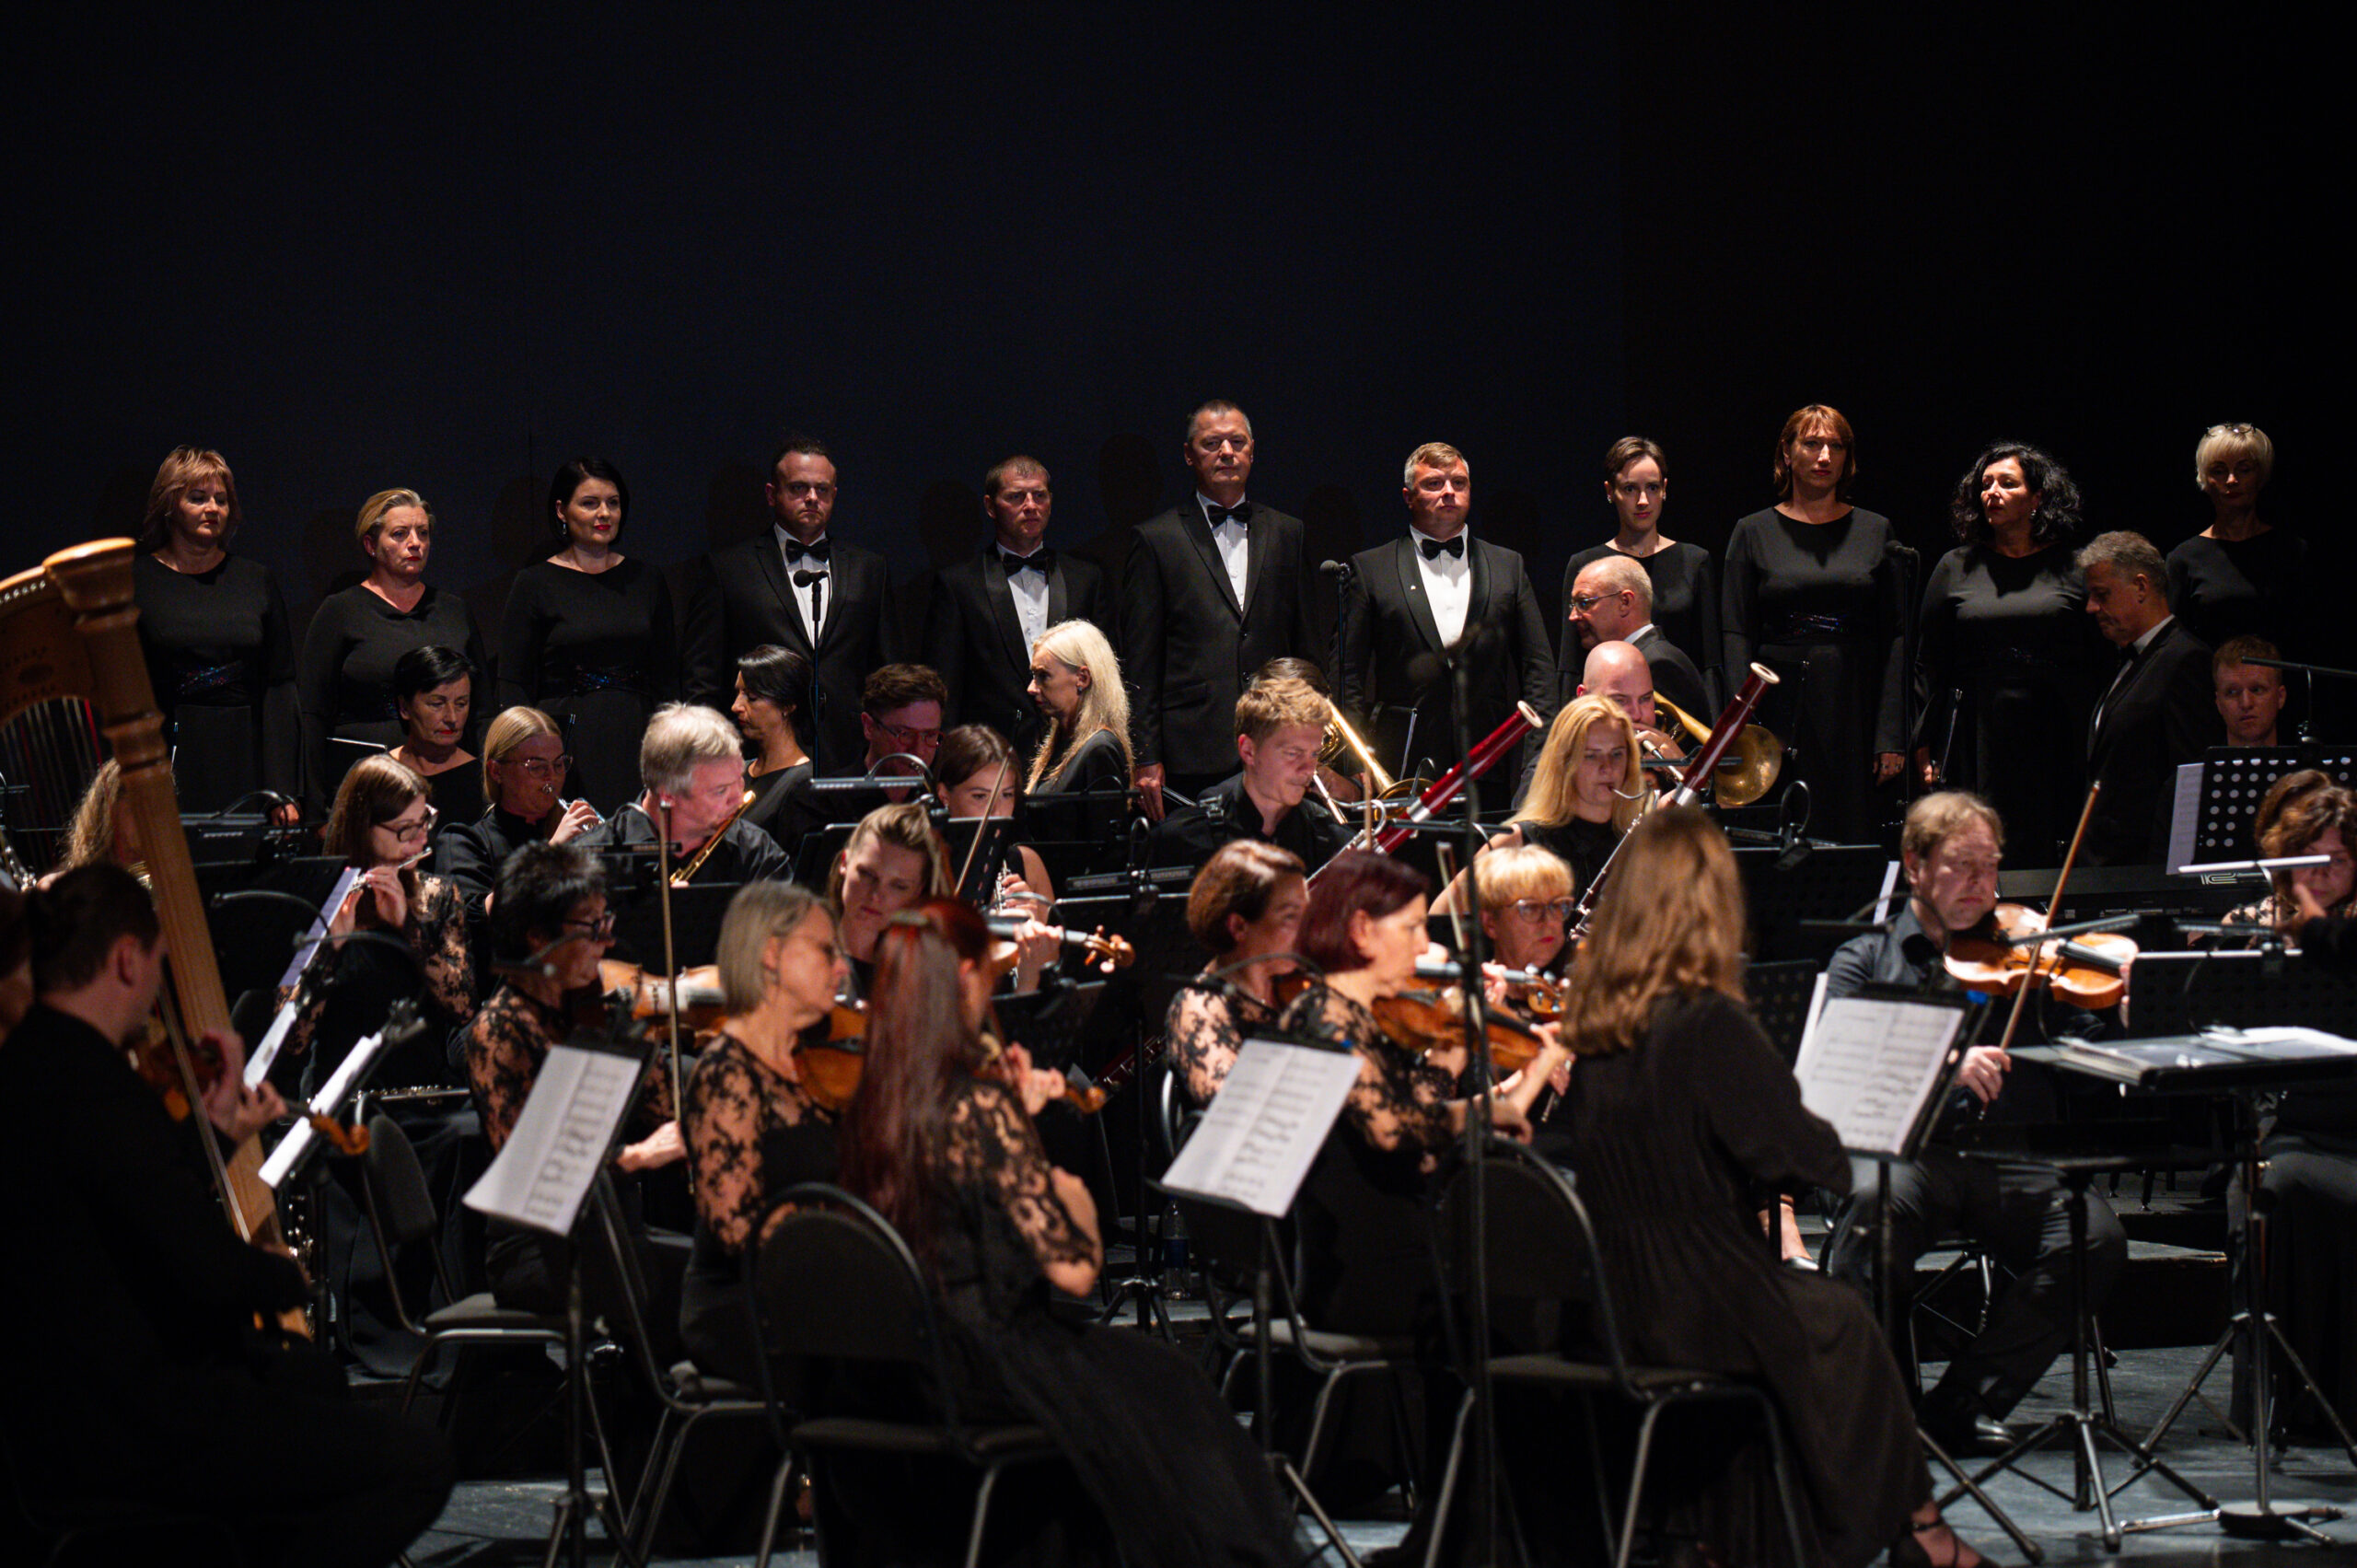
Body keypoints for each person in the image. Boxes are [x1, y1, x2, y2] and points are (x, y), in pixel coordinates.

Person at [1543, 807, 1990, 1568]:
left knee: (1813, 1320)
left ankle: (1744, 1536)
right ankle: (1920, 1532)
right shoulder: (1707, 1021)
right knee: (1840, 1319)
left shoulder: (1594, 1026)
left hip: (1614, 1297)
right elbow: (1805, 1157)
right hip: (1698, 1295)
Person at [0, 865, 453, 1568]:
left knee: (304, 1382)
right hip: (124, 1424)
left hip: (53, 1410)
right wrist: (282, 1277)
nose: (156, 987)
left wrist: (216, 1135)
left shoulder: (33, 1066)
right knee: (414, 1461)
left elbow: (125, 1210)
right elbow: (203, 1269)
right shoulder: (95, 1089)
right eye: (155, 963)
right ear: (125, 957)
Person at [832, 897, 1297, 1568]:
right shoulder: (979, 1105)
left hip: (895, 1354)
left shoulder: (874, 1096)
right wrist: (1049, 1159)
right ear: (962, 979)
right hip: (980, 1361)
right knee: (1172, 1385)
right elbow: (1077, 1267)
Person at [1821, 791, 2128, 1461]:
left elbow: (2089, 1060)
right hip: (1909, 1154)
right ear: (1915, 866)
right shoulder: (1865, 959)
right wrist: (1945, 1062)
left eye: (1990, 868)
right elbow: (1840, 1071)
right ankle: (1886, 1410)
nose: (1981, 885)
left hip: (2011, 1158)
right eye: (1962, 866)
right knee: (1872, 1217)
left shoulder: (2024, 951)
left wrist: (2122, 1001)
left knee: (2094, 1238)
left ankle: (1965, 1401)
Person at [461, 842, 687, 1326]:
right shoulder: (499, 1031)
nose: (608, 943)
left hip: (610, 1228)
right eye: (592, 929)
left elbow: (664, 1111)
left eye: (608, 924)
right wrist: (638, 1157)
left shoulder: (588, 1007)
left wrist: (637, 1032)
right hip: (538, 1250)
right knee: (689, 1292)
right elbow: (527, 1182)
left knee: (726, 1268)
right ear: (538, 936)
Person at [679, 881, 847, 1383]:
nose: (841, 968)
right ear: (771, 955)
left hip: (818, 1290)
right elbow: (739, 1231)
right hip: (747, 1308)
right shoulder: (725, 1073)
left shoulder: (817, 1065)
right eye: (825, 951)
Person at [1913, 440, 2107, 865]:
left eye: (2007, 483)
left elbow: (2100, 655)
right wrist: (1923, 742)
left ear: (2037, 498)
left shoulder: (2074, 566)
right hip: (1976, 731)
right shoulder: (1955, 566)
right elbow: (1930, 660)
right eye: (1986, 485)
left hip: (2056, 726)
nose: (1993, 493)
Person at [1722, 404, 1906, 843]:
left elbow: (1897, 637)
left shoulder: (1877, 530)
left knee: (1855, 832)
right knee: (1786, 836)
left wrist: (1891, 733)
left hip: (1855, 704)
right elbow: (1735, 634)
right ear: (1787, 453)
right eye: (1812, 444)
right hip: (1780, 708)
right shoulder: (1752, 531)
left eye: (1835, 446)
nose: (1824, 456)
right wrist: (1744, 725)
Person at [1121, 400, 1317, 814]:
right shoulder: (1156, 538)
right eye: (1212, 443)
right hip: (1192, 748)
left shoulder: (1289, 532)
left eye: (1237, 442)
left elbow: (1307, 648)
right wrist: (1144, 755)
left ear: (1251, 451)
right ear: (1189, 455)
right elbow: (1141, 660)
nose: (1227, 452)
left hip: (1278, 738)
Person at [1335, 441, 1554, 783]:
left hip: (1491, 760)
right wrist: (1353, 762)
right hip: (1400, 763)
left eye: (1459, 483)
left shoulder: (1508, 565)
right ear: (1408, 496)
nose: (1449, 492)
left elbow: (1538, 669)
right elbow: (1346, 676)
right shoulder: (1370, 569)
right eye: (1434, 484)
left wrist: (1540, 756)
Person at [685, 435, 899, 773]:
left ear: (835, 495)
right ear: (772, 494)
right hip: (758, 756)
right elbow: (704, 679)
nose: (812, 498)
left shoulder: (870, 568)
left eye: (822, 489)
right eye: (798, 488)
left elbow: (887, 672)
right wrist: (712, 759)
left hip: (849, 754)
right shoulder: (728, 569)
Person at [285, 754, 475, 1096]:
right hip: (340, 1102)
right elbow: (291, 1040)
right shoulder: (317, 899)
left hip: (425, 1095)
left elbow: (461, 1009)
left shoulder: (438, 896)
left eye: (425, 822)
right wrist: (331, 947)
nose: (421, 842)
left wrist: (409, 928)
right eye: (406, 830)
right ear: (362, 827)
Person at [497, 457, 678, 813]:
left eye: (613, 503)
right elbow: (513, 681)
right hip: (566, 741)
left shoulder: (647, 579)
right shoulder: (534, 583)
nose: (604, 514)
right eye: (590, 503)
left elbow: (667, 675)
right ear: (562, 511)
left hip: (638, 734)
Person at [130, 446, 300, 817]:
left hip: (246, 757)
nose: (213, 509)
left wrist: (283, 790)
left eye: (221, 500)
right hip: (172, 755)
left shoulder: (256, 580)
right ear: (170, 505)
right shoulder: (138, 580)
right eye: (198, 498)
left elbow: (280, 686)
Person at [297, 486, 486, 813]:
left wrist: (486, 785)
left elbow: (482, 709)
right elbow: (313, 713)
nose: (415, 543)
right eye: (400, 534)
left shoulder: (453, 610)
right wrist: (316, 805)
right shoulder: (340, 611)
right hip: (367, 780)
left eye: (423, 533)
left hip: (447, 776)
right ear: (371, 544)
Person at [922, 453, 1115, 754]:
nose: (1030, 506)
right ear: (990, 506)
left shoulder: (1086, 578)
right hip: (989, 754)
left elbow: (1104, 675)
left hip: (1076, 749)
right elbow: (946, 686)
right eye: (1016, 497)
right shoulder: (958, 585)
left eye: (1039, 495)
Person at [431, 705, 600, 997]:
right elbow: (472, 926)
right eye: (537, 767)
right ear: (497, 771)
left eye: (559, 764)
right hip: (499, 999)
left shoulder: (573, 836)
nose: (552, 778)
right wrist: (552, 852)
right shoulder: (463, 842)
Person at [2079, 529, 2222, 865]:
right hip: (2107, 868)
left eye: (2101, 594)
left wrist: (2163, 875)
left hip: (2145, 871)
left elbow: (2189, 783)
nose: (2090, 607)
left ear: (2141, 587)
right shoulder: (2131, 660)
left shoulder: (2187, 661)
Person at [1438, 692, 1641, 910]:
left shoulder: (1636, 844)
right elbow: (1442, 911)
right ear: (1564, 763)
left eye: (1617, 754)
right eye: (1591, 755)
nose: (1607, 767)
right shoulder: (1520, 841)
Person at [1562, 435, 1723, 709]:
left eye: (1652, 487)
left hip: (1682, 711)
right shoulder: (1587, 565)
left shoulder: (1695, 561)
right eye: (1630, 489)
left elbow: (1709, 663)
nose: (1643, 501)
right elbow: (1570, 663)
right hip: (1606, 712)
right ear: (1610, 492)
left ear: (1665, 489)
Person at [1150, 673, 1352, 871]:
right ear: (1248, 750)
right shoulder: (1183, 841)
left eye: (1314, 754)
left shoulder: (1333, 843)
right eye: (1293, 753)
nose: (1308, 770)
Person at [579, 703, 793, 886]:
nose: (738, 798)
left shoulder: (755, 852)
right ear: (668, 795)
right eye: (720, 791)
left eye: (739, 780)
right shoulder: (588, 860)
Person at [1165, 840, 1306, 1106]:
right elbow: (1233, 1106)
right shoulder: (1199, 1007)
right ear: (1239, 926)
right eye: (1290, 916)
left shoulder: (1303, 988)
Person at [2166, 422, 2311, 654]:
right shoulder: (2184, 559)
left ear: (2260, 475)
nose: (2232, 480)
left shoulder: (2291, 551)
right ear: (2205, 479)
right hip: (2210, 686)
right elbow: (2174, 648)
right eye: (2219, 471)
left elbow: (2309, 634)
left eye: (2244, 469)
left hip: (2278, 685)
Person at [1563, 552, 1710, 720]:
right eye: (1573, 606)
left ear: (1624, 603)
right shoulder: (1651, 656)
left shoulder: (1660, 665)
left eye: (1584, 603)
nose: (1573, 616)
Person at [1024, 620, 1133, 842]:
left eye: (1043, 676)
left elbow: (1106, 853)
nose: (1031, 688)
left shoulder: (1099, 750)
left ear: (1082, 678)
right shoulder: (1062, 741)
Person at [935, 723, 1055, 911]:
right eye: (980, 796)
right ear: (944, 796)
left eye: (1007, 795)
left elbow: (1058, 938)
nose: (997, 812)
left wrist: (1036, 922)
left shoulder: (1029, 864)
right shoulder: (919, 868)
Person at [730, 643, 817, 851]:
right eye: (738, 694)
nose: (736, 706)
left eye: (751, 697)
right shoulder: (737, 773)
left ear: (787, 706)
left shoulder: (802, 784)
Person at [386, 645, 483, 825]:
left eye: (461, 704)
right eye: (437, 704)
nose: (452, 718)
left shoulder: (482, 780)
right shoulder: (379, 774)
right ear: (404, 707)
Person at [1471, 842, 1575, 981]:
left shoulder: (1581, 989)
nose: (1549, 921)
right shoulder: (1476, 998)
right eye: (1530, 908)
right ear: (1491, 923)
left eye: (1556, 906)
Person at [853, 662, 947, 784]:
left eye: (930, 735)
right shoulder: (830, 798)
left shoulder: (949, 795)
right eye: (906, 734)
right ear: (869, 727)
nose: (919, 752)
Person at [2214, 635, 2291, 748]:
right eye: (2232, 692)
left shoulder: (2307, 765)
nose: (2246, 703)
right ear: (2219, 703)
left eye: (2257, 690)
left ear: (2280, 697)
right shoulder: (2199, 766)